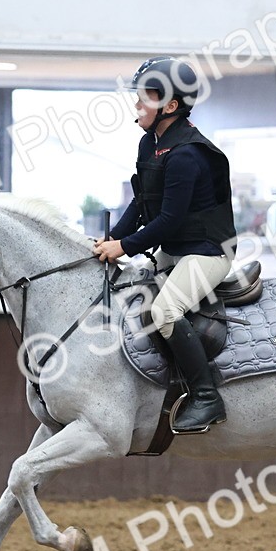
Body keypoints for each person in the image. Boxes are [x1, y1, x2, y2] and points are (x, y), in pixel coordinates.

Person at [92, 56, 237, 433]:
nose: (137, 105)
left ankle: (207, 397)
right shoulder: (149, 144)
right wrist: (112, 240)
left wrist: (123, 247)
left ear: (170, 106)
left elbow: (169, 220)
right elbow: (142, 204)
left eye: (145, 98)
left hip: (208, 252)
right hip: (177, 248)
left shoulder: (188, 154)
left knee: (165, 312)